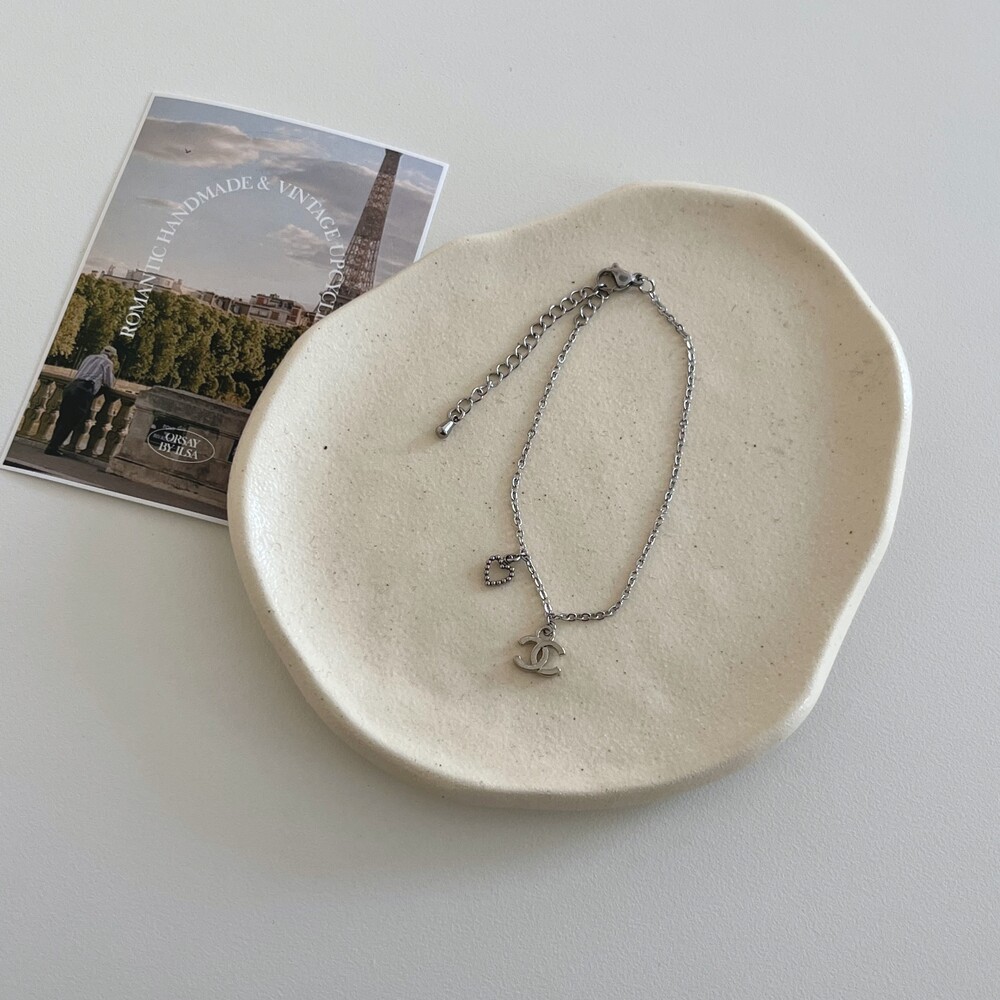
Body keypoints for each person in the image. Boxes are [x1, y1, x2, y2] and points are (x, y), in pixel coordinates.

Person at [45, 345, 117, 456]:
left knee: (63, 418)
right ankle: (53, 447)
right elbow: (109, 383)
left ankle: (52, 444)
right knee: (71, 420)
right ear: (112, 356)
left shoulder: (89, 357)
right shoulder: (107, 363)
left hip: (72, 386)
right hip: (84, 390)